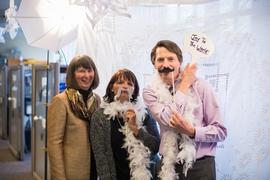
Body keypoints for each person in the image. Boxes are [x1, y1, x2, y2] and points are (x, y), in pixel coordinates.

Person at [143, 40, 227, 180]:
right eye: (160, 60)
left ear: (179, 62)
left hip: (201, 166)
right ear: (154, 64)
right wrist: (185, 84)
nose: (165, 64)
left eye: (171, 59)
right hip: (168, 166)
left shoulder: (201, 86)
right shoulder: (149, 92)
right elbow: (168, 118)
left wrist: (193, 132)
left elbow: (221, 132)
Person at [90, 68, 160, 180]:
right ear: (112, 87)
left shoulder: (145, 114)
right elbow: (100, 155)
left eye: (130, 83)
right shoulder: (100, 116)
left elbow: (156, 147)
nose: (125, 86)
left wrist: (136, 130)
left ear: (134, 90)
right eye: (120, 82)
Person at [47, 55, 100, 180]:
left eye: (89, 70)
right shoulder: (61, 101)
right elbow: (54, 144)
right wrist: (59, 177)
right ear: (72, 74)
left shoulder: (96, 100)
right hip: (72, 171)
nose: (86, 75)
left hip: (94, 168)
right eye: (81, 71)